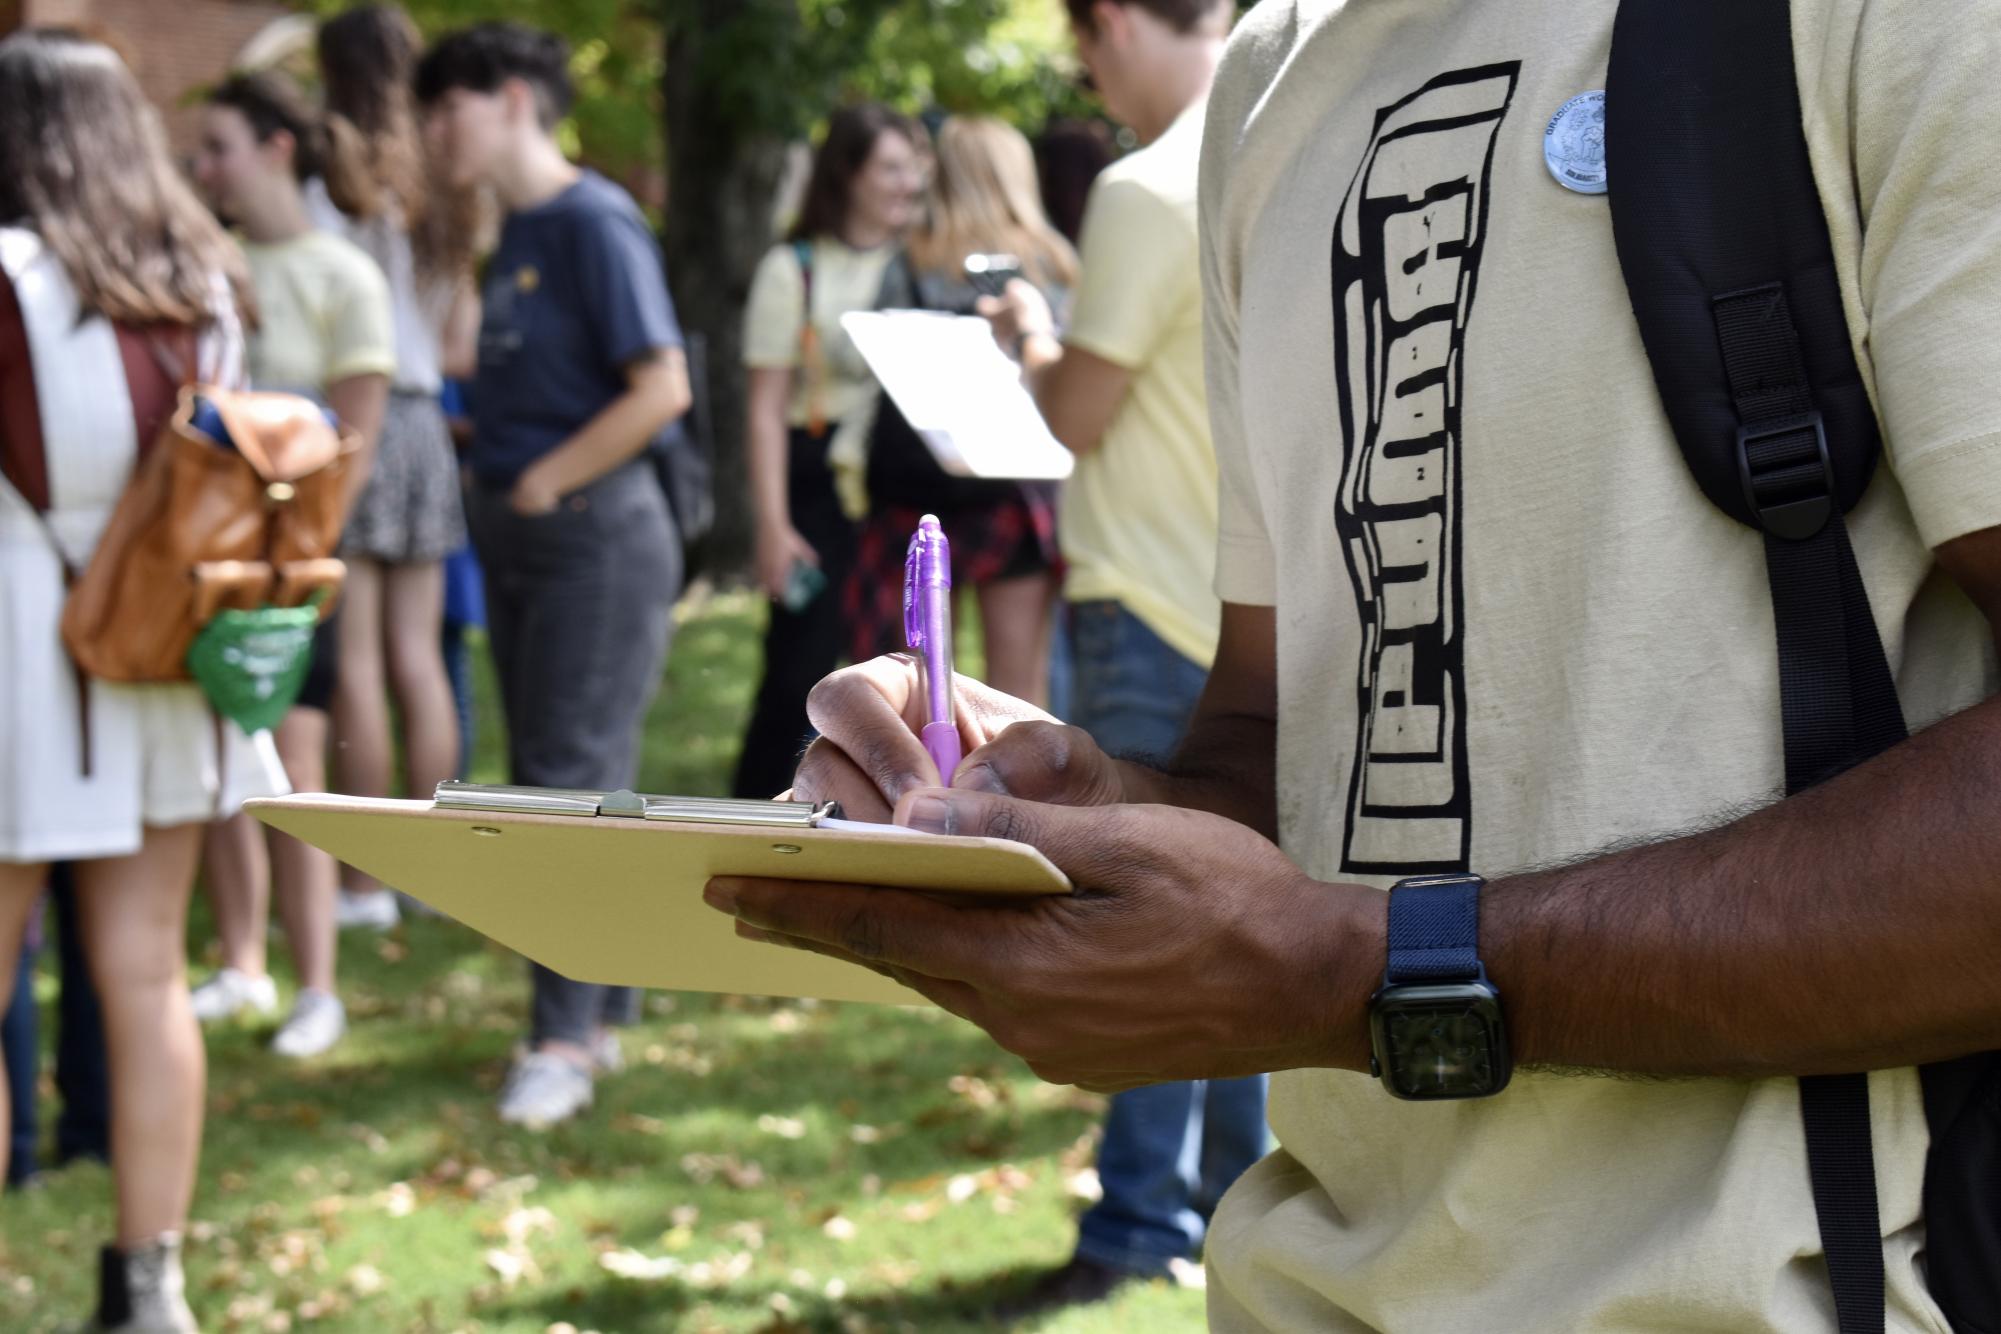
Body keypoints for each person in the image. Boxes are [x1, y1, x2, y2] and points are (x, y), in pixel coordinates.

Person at [710, 0, 2001, 1330]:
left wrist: (1364, 969)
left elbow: (1335, 943)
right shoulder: (1275, 81)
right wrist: (1066, 809)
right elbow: (1289, 748)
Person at [971, 0, 1259, 1311]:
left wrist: (1027, 339)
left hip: (1147, 596)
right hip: (1251, 598)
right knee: (1251, 918)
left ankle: (1140, 1223)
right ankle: (1243, 1201)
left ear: (1122, 22)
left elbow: (1075, 414)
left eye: (1084, 41)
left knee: (1139, 921)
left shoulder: (1146, 189)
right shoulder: (1283, 142)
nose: (1086, 71)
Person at [0, 28, 290, 1330]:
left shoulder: (9, 277)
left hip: (21, 644)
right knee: (145, 967)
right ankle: (148, 1287)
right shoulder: (206, 281)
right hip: (172, 638)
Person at [416, 22, 692, 1128]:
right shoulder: (513, 230)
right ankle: (605, 1007)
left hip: (597, 538)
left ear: (518, 99)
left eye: (452, 106)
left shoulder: (592, 219)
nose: (436, 132)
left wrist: (540, 481)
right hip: (534, 541)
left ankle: (562, 1041)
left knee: (560, 783)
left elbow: (662, 385)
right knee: (572, 772)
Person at [191, 69, 396, 1060]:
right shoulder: (201, 264)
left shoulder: (341, 273)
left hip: (297, 562)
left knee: (291, 765)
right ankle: (240, 962)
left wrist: (303, 559)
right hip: (204, 558)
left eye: (219, 146)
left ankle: (318, 986)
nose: (204, 168)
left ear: (277, 147)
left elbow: (355, 438)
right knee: (213, 761)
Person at [312, 3, 475, 931]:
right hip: (426, 422)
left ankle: (366, 886)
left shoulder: (328, 168)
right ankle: (437, 869)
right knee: (421, 658)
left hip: (359, 414)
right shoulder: (443, 177)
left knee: (360, 664)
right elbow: (459, 340)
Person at [843, 116, 1078, 706]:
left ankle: (915, 795)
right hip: (1018, 491)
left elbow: (881, 362)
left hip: (918, 494)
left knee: (912, 688)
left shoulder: (911, 260)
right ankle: (1011, 800)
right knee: (1018, 693)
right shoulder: (1054, 264)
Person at [733, 104, 924, 800]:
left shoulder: (924, 261)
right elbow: (763, 405)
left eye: (915, 166)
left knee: (895, 671)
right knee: (798, 672)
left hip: (899, 486)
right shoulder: (795, 269)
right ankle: (760, 814)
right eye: (891, 166)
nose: (909, 183)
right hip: (815, 483)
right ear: (848, 173)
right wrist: (772, 526)